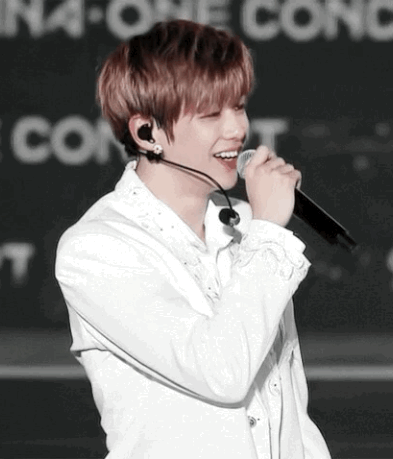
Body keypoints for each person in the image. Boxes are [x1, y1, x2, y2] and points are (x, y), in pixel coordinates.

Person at [55, 19, 331, 459]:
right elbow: (222, 373)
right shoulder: (96, 249)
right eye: (211, 114)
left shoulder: (247, 225)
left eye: (238, 106)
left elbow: (289, 406)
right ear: (146, 132)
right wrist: (267, 233)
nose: (237, 128)